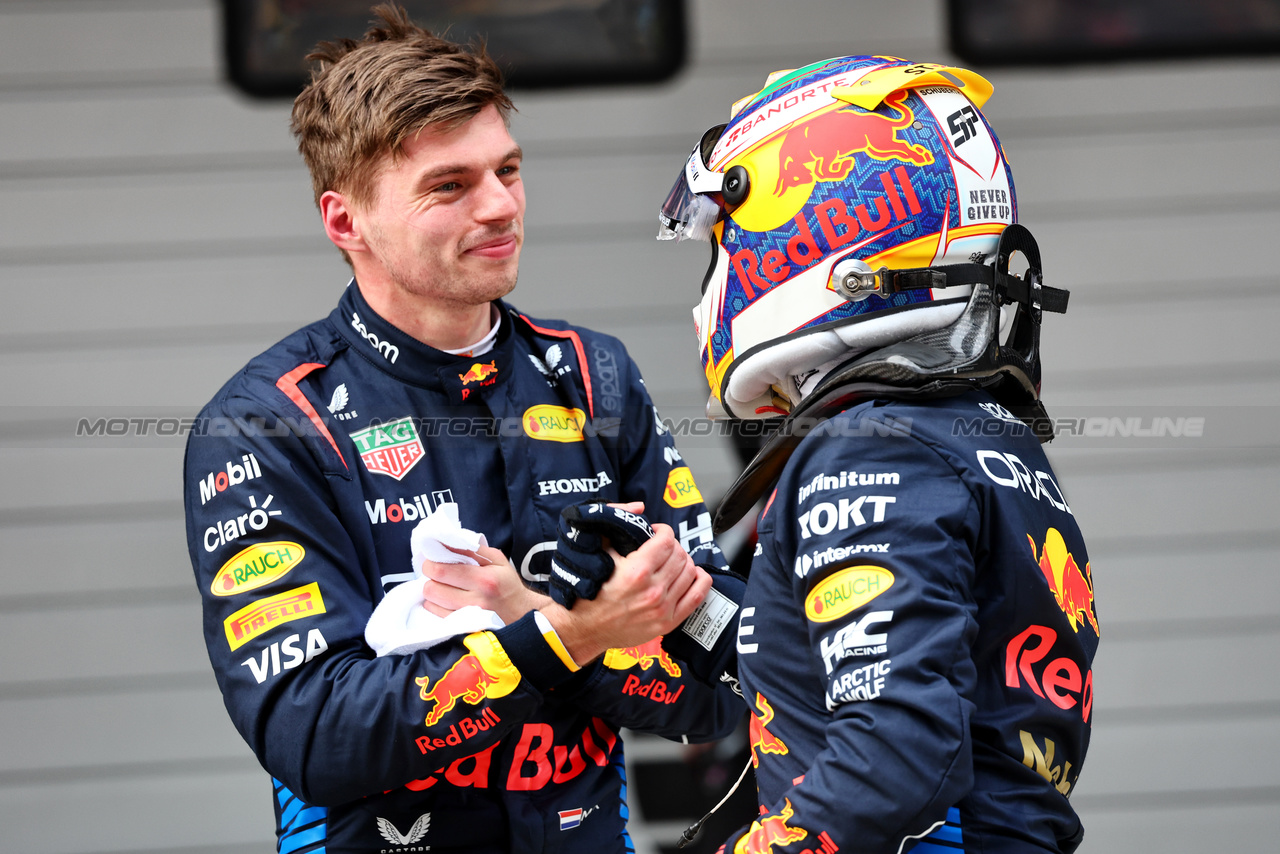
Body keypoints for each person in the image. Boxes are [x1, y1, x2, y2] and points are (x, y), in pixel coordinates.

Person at [183, 6, 741, 853]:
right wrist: (575, 631)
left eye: (508, 171)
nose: (500, 207)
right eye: (450, 185)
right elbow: (316, 736)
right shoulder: (266, 423)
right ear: (346, 222)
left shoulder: (595, 377)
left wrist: (533, 621)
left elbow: (727, 682)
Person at [655, 56, 1098, 852]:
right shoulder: (974, 428)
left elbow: (896, 757)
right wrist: (685, 609)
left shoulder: (869, 450)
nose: (715, 274)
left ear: (804, 223)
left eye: (721, 239)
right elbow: (843, 676)